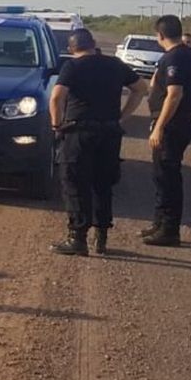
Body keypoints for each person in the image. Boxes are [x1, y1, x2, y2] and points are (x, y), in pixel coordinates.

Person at [49, 28, 145, 256]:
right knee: (103, 184)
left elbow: (56, 97)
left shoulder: (72, 66)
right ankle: (101, 238)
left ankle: (77, 238)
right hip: (109, 132)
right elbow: (141, 88)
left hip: (79, 132)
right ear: (93, 44)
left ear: (72, 49)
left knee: (74, 183)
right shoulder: (114, 64)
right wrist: (123, 115)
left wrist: (56, 125)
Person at [144, 15, 191, 246]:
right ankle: (159, 223)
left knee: (168, 175)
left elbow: (175, 93)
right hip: (182, 120)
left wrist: (159, 126)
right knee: (160, 174)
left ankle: (169, 230)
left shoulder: (174, 57)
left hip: (171, 124)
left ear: (159, 35)